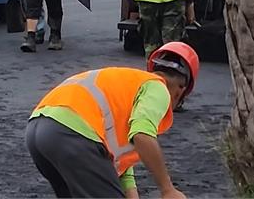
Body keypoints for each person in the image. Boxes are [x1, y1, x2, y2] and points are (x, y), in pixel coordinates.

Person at [25, 42, 199, 199]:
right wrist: (167, 189)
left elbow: (120, 163)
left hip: (38, 132)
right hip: (73, 135)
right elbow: (142, 135)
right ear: (180, 90)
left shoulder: (128, 85)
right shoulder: (158, 88)